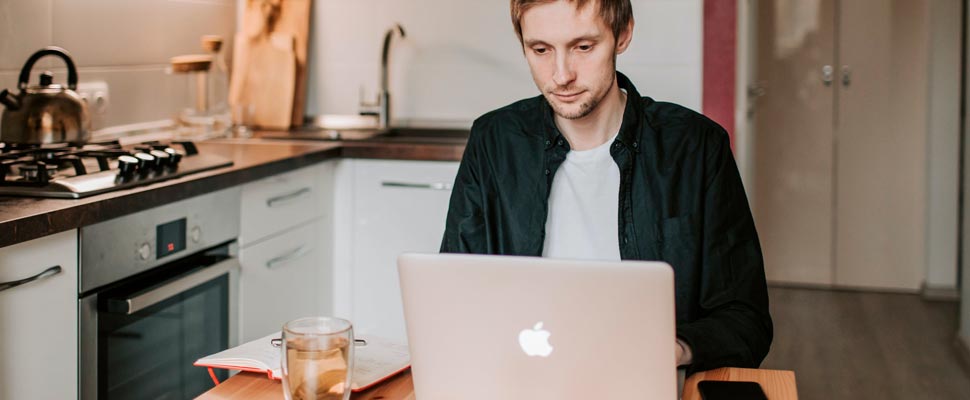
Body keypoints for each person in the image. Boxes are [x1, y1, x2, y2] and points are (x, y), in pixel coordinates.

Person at [440, 0, 772, 375]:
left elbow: (746, 320)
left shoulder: (695, 147)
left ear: (623, 34)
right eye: (541, 50)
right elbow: (456, 296)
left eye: (583, 47)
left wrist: (674, 349)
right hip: (517, 380)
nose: (561, 75)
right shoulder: (494, 142)